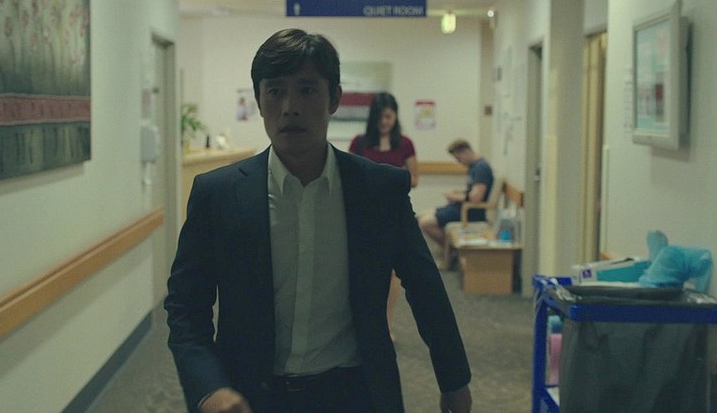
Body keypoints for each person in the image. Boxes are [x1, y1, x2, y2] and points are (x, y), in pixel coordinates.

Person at [164, 28, 472, 413]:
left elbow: (426, 289)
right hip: (252, 397)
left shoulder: (378, 191)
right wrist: (208, 389)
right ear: (258, 100)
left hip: (356, 394)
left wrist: (454, 379)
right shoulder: (219, 195)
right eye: (275, 91)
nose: (290, 106)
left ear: (334, 98)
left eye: (307, 89)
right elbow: (185, 307)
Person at [349, 92, 417, 342]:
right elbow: (350, 175)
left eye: (388, 116)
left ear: (395, 116)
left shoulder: (405, 143)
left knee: (391, 272)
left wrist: (388, 180)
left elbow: (414, 179)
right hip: (363, 213)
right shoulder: (360, 142)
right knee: (363, 269)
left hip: (393, 213)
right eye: (379, 117)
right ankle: (361, 322)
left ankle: (386, 325)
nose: (384, 122)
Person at [418, 139, 495, 253]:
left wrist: (454, 197)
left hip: (471, 212)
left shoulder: (481, 168)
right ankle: (448, 249)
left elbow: (476, 198)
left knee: (425, 223)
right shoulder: (473, 167)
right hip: (461, 207)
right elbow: (472, 190)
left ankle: (452, 251)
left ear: (466, 152)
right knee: (420, 216)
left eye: (459, 158)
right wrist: (457, 192)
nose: (459, 162)